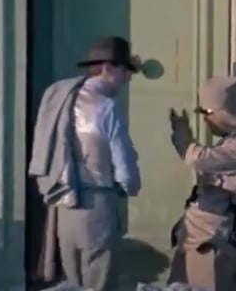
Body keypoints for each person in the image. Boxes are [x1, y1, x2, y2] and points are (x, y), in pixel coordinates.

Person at [29, 36, 142, 290]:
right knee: (99, 276)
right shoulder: (106, 107)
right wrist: (130, 186)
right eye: (125, 70)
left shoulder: (61, 99)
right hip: (97, 200)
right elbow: (123, 164)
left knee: (73, 280)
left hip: (64, 202)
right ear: (109, 67)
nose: (127, 78)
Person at [168, 77, 236, 290]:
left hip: (214, 240)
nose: (206, 120)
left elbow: (199, 159)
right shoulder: (228, 140)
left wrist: (183, 136)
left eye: (208, 113)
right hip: (197, 235)